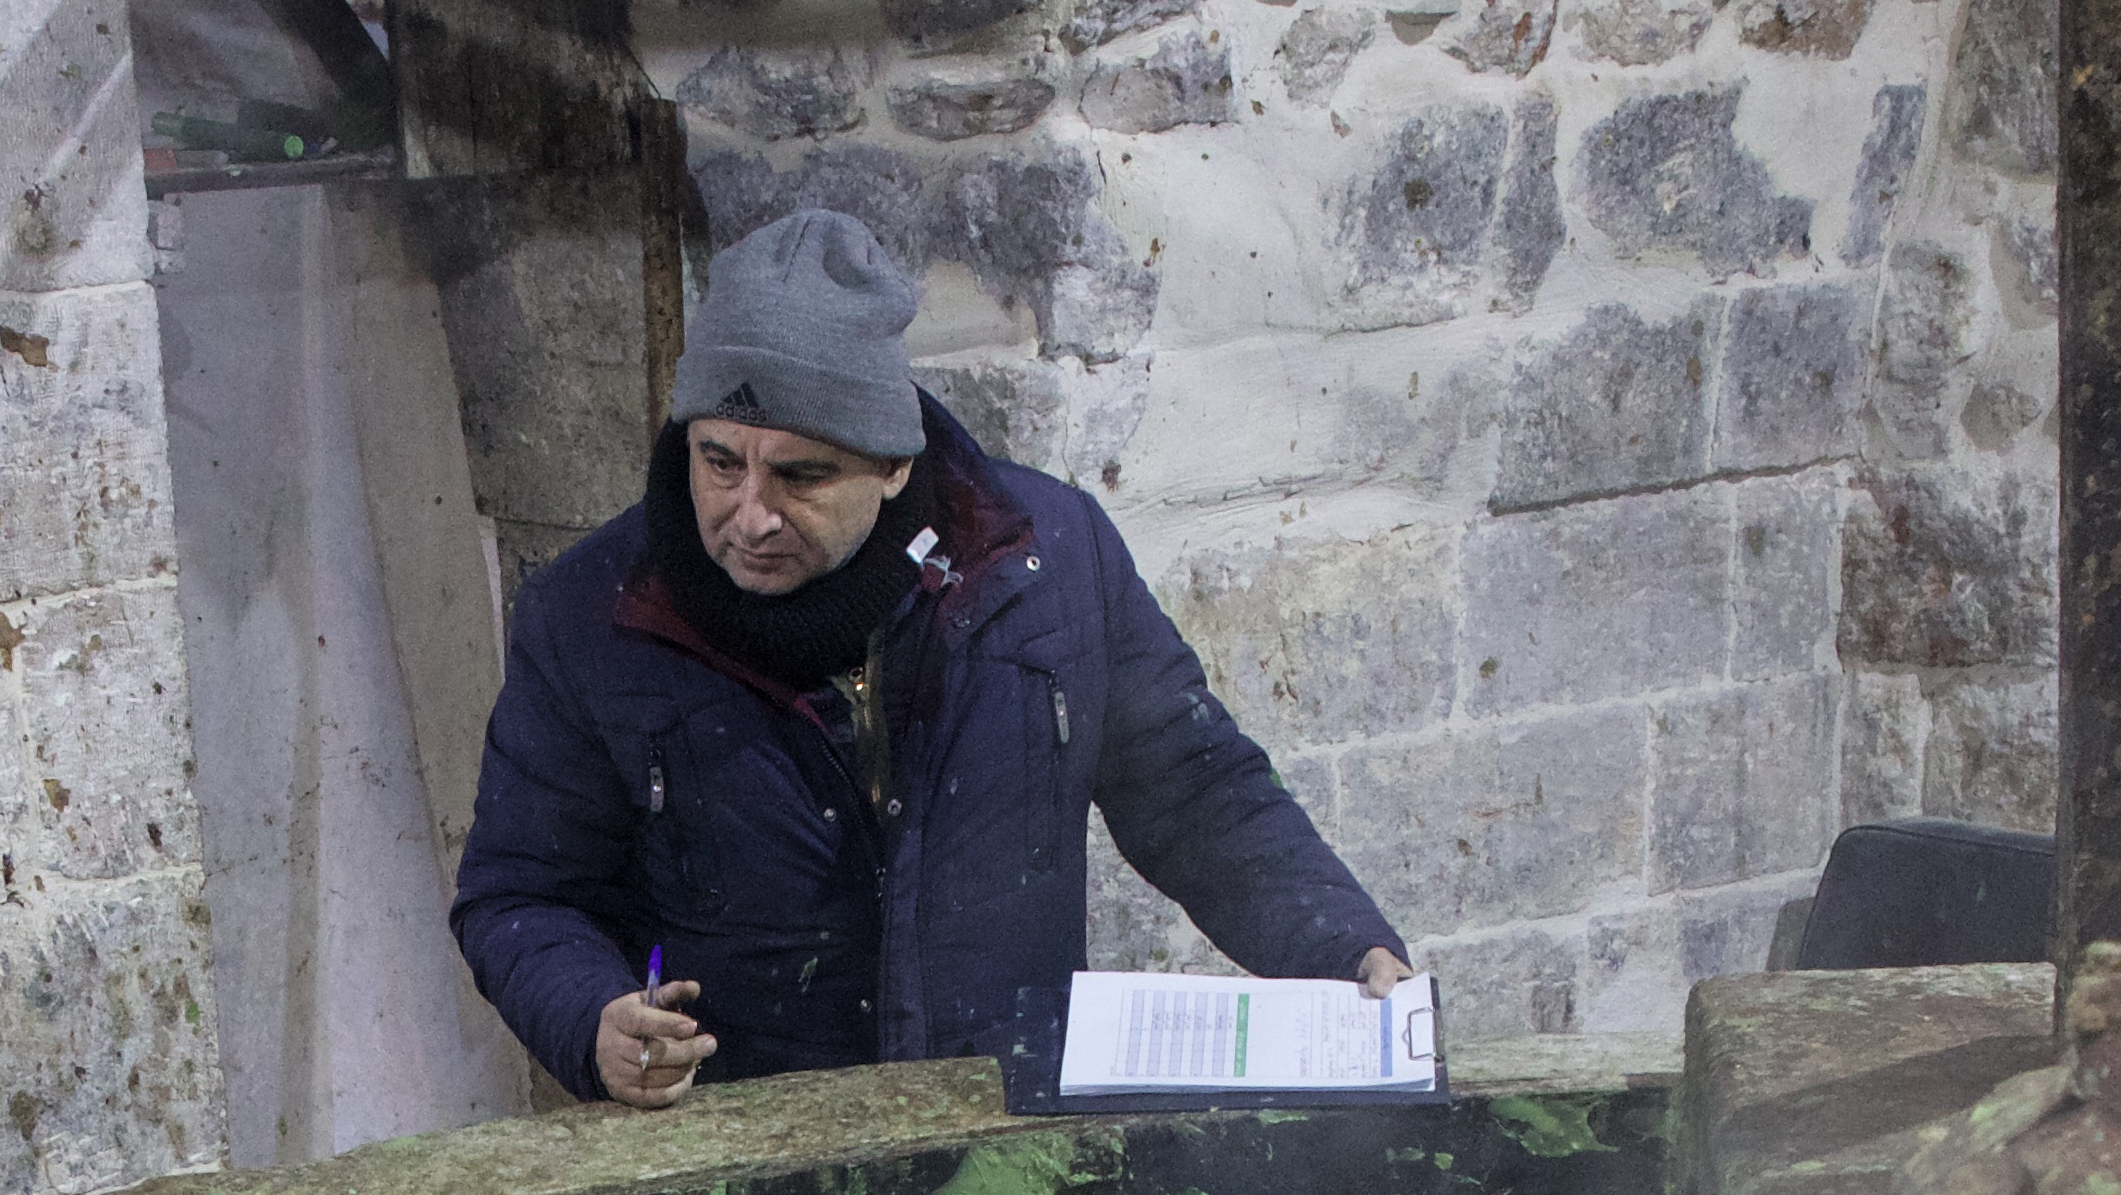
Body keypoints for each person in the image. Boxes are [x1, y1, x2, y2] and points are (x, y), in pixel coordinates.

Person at [452, 211, 1411, 1111]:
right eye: (717, 460)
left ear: (895, 462)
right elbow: (521, 893)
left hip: (1000, 1132)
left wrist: (1343, 947)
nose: (749, 514)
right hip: (747, 1170)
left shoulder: (1048, 565)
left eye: (802, 474)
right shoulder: (592, 618)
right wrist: (593, 1022)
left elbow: (1198, 794)